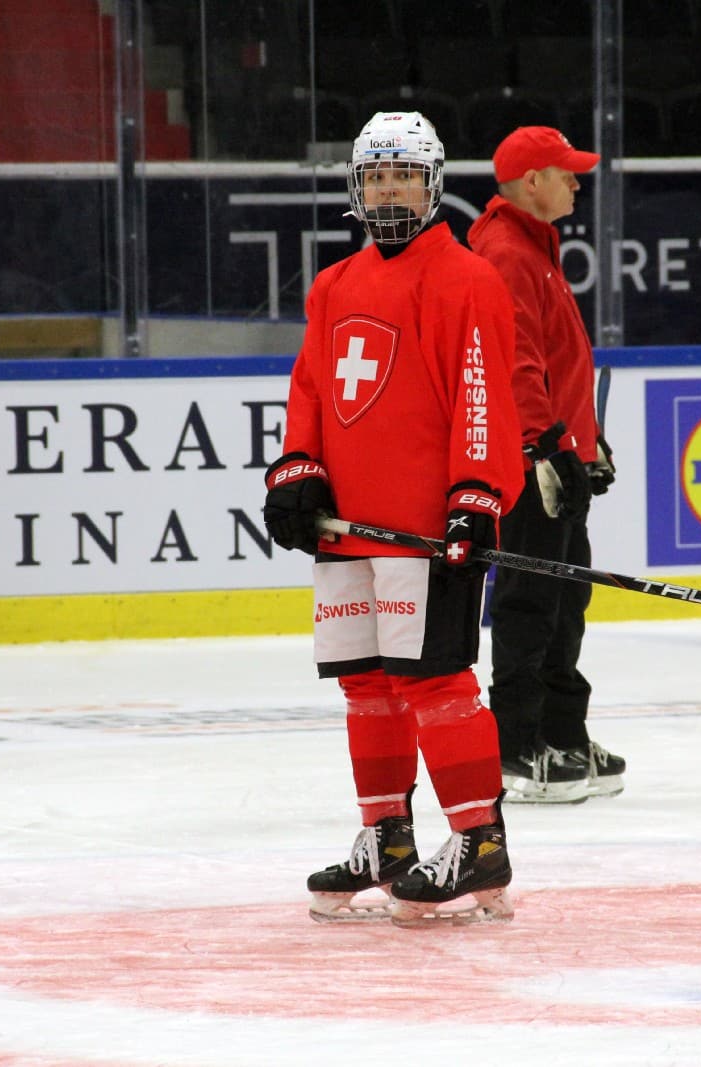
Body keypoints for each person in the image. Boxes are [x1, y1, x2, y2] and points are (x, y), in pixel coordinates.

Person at [262, 111, 525, 925]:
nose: (387, 190)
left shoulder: (467, 278)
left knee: (436, 683)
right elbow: (311, 389)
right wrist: (298, 470)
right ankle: (387, 837)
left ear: (432, 183)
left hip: (425, 531)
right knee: (367, 686)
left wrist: (475, 495)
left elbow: (482, 393)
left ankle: (479, 840)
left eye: (403, 174)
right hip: (348, 530)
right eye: (375, 175)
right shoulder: (333, 286)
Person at [468, 126, 626, 804]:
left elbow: (559, 363)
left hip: (558, 453)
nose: (576, 183)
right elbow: (515, 365)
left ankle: (561, 732)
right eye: (565, 173)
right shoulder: (507, 254)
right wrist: (544, 447)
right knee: (531, 603)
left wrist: (587, 442)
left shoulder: (535, 248)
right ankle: (515, 747)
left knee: (565, 602)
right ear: (531, 182)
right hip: (531, 463)